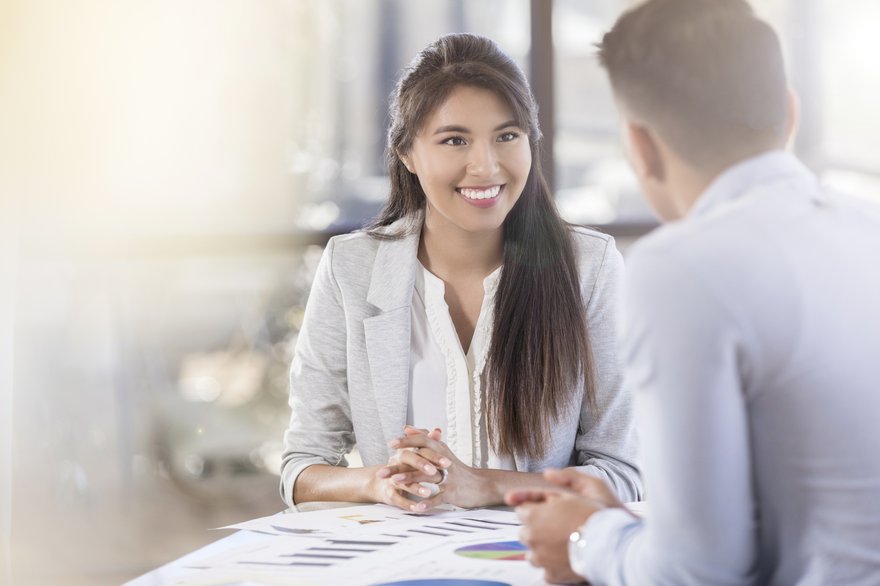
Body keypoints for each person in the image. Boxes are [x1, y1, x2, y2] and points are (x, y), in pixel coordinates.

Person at [509, 0, 880, 584]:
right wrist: (621, 527)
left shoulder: (681, 267)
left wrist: (583, 539)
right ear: (789, 114)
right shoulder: (869, 226)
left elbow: (698, 572)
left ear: (640, 147)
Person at [280, 33, 643, 513]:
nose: (485, 165)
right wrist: (377, 483)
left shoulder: (589, 268)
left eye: (506, 137)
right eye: (455, 140)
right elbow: (301, 467)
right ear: (407, 154)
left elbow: (622, 474)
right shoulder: (352, 268)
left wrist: (487, 485)